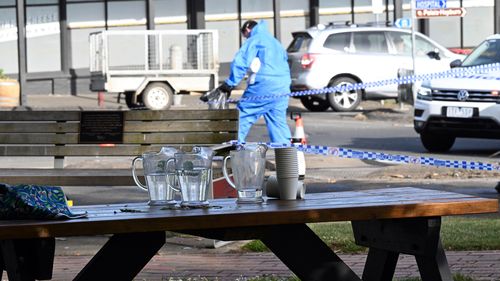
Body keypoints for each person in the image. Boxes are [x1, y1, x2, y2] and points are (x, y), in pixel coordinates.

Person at [213, 19, 292, 144]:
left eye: (244, 34)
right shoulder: (275, 42)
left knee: (242, 116)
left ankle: (230, 152)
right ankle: (287, 159)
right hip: (283, 86)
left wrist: (230, 84)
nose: (245, 37)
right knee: (278, 123)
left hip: (264, 85)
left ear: (248, 28)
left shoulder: (255, 39)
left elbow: (242, 61)